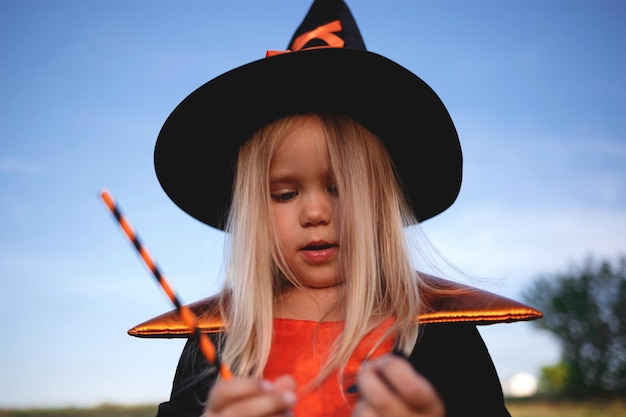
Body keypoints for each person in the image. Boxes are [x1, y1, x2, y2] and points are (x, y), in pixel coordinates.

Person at [128, 1, 542, 416]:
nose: (315, 213)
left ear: (382, 203)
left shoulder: (439, 330)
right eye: (285, 194)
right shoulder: (220, 338)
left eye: (340, 187)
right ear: (253, 210)